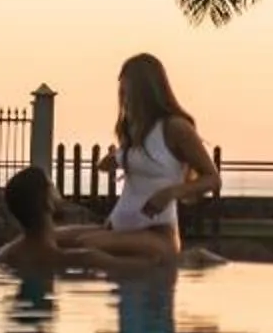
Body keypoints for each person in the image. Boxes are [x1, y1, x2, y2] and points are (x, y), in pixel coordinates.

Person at [82, 52, 219, 258]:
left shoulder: (175, 127)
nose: (124, 98)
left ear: (145, 91)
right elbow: (134, 165)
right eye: (121, 90)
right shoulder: (133, 129)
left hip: (157, 234)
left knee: (84, 246)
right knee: (53, 239)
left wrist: (169, 193)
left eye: (127, 90)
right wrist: (111, 161)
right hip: (118, 227)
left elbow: (212, 179)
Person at [0, 165, 178, 276]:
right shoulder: (83, 259)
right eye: (51, 186)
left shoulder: (6, 255)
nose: (56, 189)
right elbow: (150, 266)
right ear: (47, 202)